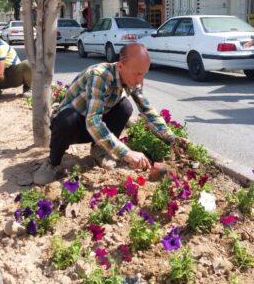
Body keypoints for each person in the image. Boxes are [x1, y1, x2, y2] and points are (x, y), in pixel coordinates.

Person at [33, 43, 189, 185]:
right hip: (71, 127)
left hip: (93, 127)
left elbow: (147, 111)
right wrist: (126, 153)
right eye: (137, 74)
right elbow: (93, 121)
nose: (140, 80)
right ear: (120, 66)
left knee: (125, 107)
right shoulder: (99, 76)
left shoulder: (132, 80)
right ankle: (53, 163)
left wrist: (172, 139)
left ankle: (99, 149)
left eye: (144, 74)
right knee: (68, 119)